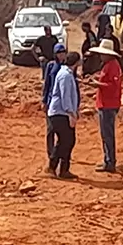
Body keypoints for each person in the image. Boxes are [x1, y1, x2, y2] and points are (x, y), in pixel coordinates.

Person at [47, 51, 82, 179]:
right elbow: (65, 96)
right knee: (66, 141)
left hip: (63, 113)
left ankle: (62, 169)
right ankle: (54, 166)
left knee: (67, 141)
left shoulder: (67, 74)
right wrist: (71, 113)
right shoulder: (65, 76)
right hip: (60, 113)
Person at [89, 39, 122, 173]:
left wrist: (97, 84)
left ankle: (110, 162)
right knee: (105, 133)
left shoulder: (112, 66)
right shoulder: (108, 65)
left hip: (108, 104)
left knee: (107, 134)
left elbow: (113, 86)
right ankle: (108, 160)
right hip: (105, 103)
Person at [42, 43, 67, 165]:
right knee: (50, 129)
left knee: (62, 131)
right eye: (59, 52)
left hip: (63, 102)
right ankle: (51, 152)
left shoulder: (67, 67)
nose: (61, 55)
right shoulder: (51, 66)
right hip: (51, 101)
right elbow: (47, 84)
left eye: (63, 52)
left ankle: (59, 153)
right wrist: (44, 100)